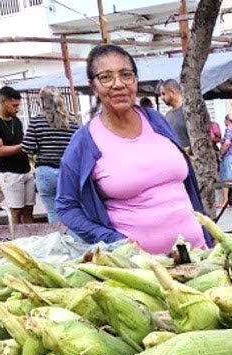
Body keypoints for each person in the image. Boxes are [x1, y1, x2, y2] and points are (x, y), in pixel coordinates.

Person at [55, 44, 209, 253]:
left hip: (197, 253)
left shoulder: (156, 121)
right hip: (139, 270)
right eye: (106, 77)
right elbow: (66, 206)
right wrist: (110, 238)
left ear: (135, 80)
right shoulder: (85, 141)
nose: (119, 84)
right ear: (94, 86)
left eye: (126, 75)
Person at [22, 86, 79, 225]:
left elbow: (27, 147)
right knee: (73, 210)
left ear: (42, 102)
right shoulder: (73, 122)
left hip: (45, 172)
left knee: (53, 212)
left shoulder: (36, 121)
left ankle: (59, 241)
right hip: (68, 172)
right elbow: (80, 148)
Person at [0, 86, 35, 226]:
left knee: (29, 209)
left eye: (18, 105)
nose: (17, 109)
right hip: (9, 172)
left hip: (25, 169)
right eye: (14, 105)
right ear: (3, 102)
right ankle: (17, 241)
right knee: (16, 210)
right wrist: (24, 146)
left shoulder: (16, 121)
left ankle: (33, 238)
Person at [159, 79, 190, 149]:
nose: (161, 98)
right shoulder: (168, 115)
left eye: (163, 94)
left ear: (172, 92)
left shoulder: (189, 112)